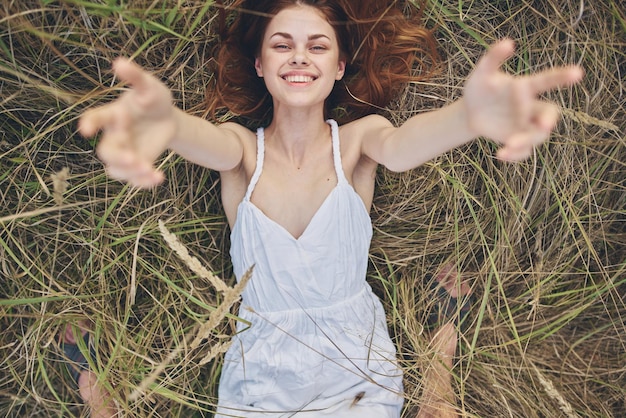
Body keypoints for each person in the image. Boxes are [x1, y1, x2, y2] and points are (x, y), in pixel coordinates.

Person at [69, 0, 583, 416]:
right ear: (260, 63)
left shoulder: (357, 142)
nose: (298, 57)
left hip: (354, 364)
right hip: (261, 373)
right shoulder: (242, 151)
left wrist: (466, 118)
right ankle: (103, 402)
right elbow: (205, 142)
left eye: (316, 46)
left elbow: (402, 150)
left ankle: (438, 371)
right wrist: (170, 126)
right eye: (281, 45)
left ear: (337, 68)